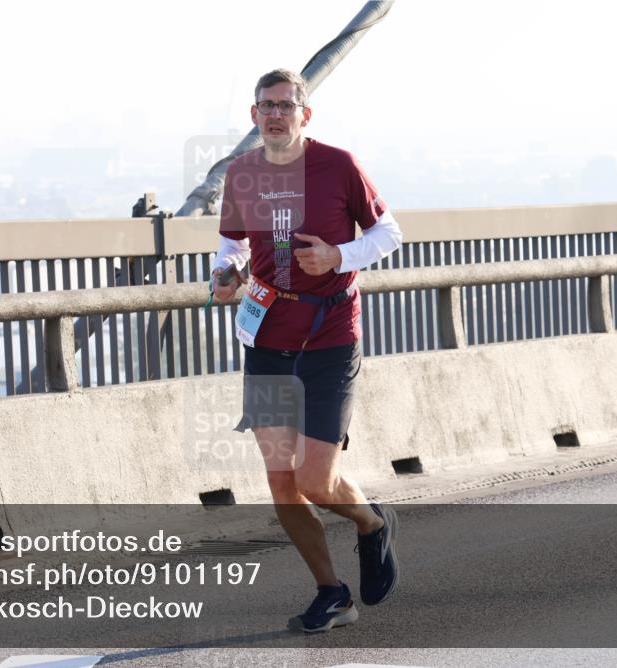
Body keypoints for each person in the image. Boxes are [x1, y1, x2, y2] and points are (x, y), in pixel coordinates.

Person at [209, 68, 404, 633]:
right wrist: (226, 273)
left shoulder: (337, 165)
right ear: (254, 115)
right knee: (280, 482)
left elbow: (390, 233)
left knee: (316, 481)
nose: (275, 114)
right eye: (266, 105)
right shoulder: (241, 173)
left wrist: (339, 256)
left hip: (329, 335)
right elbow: (231, 243)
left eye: (286, 105)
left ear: (304, 114)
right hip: (268, 336)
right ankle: (332, 592)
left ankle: (371, 524)